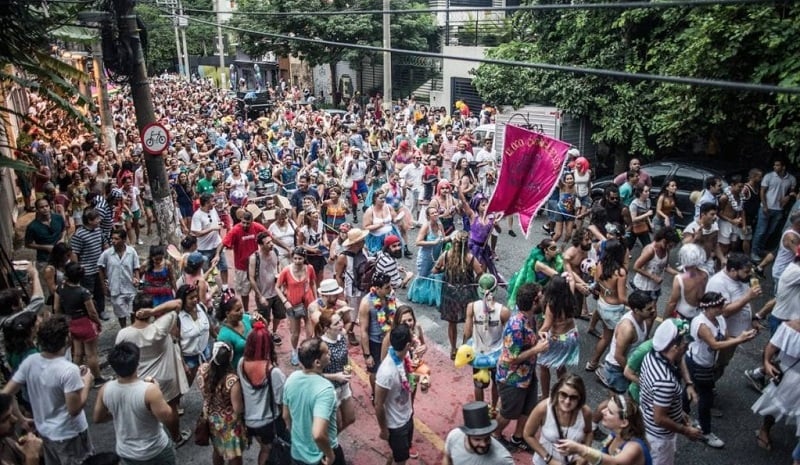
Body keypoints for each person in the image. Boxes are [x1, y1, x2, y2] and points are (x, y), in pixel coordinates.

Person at [2, 316, 94, 465]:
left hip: (45, 432)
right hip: (70, 433)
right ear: (66, 339)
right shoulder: (68, 370)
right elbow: (74, 409)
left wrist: (21, 418)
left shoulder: (31, 361)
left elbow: (7, 393)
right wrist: (87, 382)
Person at [683, 292, 757, 449]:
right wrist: (739, 339)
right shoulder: (702, 324)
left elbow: (725, 338)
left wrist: (744, 337)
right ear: (708, 308)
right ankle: (705, 431)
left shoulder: (720, 319)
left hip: (707, 362)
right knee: (706, 397)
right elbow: (714, 345)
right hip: (698, 363)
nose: (722, 309)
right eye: (718, 306)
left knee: (691, 387)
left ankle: (682, 413)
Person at [116, 295, 190, 445]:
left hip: (141, 379)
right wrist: (153, 311)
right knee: (172, 408)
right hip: (166, 376)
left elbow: (118, 357)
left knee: (146, 412)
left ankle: (151, 440)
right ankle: (176, 437)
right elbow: (178, 302)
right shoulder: (160, 326)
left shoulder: (124, 334)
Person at [92, 342, 178, 465]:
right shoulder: (149, 391)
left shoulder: (105, 389)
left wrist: (119, 412)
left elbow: (97, 418)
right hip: (154, 449)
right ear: (137, 363)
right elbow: (168, 417)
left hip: (126, 451)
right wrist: (157, 390)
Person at [492, 283, 550, 452]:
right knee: (507, 413)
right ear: (534, 301)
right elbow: (511, 359)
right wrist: (536, 349)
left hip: (527, 375)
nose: (544, 300)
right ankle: (495, 435)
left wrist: (537, 337)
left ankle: (518, 437)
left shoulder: (530, 318)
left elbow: (527, 341)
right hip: (512, 379)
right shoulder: (516, 325)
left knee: (528, 409)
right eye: (541, 297)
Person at [640, 319, 703, 465]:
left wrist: (678, 413)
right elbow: (660, 418)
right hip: (659, 438)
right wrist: (686, 431)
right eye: (685, 345)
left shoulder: (652, 356)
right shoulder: (665, 381)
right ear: (674, 348)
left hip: (646, 422)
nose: (687, 348)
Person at [283, 338, 347, 465]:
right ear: (317, 362)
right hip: (320, 456)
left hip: (298, 454)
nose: (330, 355)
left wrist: (298, 438)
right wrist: (330, 455)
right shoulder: (325, 389)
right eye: (327, 353)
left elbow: (286, 416)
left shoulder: (291, 379)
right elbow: (318, 434)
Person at [704, 253, 762, 381]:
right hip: (724, 335)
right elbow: (725, 311)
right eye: (746, 272)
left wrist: (753, 319)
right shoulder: (719, 283)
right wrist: (748, 297)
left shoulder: (741, 279)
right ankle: (704, 387)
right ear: (732, 270)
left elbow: (747, 300)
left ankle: (710, 383)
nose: (749, 274)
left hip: (735, 334)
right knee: (714, 364)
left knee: (723, 363)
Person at [555, 394, 653, 465]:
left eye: (610, 412)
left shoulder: (634, 447)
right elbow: (602, 458)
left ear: (624, 423)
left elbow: (614, 463)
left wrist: (580, 449)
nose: (603, 411)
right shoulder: (614, 435)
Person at [238, 321, 286, 465]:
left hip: (249, 420)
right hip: (268, 421)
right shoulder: (274, 372)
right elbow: (281, 401)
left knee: (264, 448)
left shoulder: (241, 364)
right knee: (270, 450)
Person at [752, 319, 800, 455]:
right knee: (775, 407)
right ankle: (764, 430)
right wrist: (766, 363)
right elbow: (772, 346)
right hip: (788, 377)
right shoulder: (790, 326)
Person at [463, 274, 509, 415]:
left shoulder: (472, 307)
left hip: (478, 352)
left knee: (479, 384)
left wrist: (465, 347)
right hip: (497, 352)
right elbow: (508, 337)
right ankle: (493, 408)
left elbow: (467, 332)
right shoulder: (504, 311)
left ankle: (480, 410)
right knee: (496, 383)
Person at [433, 231, 483, 359]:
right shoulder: (470, 258)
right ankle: (464, 346)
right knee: (469, 320)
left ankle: (453, 349)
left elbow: (435, 269)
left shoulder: (446, 255)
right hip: (467, 293)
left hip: (450, 293)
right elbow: (480, 272)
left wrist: (443, 270)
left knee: (452, 322)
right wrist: (475, 283)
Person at [523, 374, 593, 465]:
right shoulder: (543, 408)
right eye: (564, 395)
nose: (567, 401)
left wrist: (584, 455)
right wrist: (549, 459)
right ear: (556, 392)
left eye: (573, 397)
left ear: (580, 398)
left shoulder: (585, 412)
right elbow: (528, 434)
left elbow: (589, 432)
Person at [53, 263, 105, 385]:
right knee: (91, 354)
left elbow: (56, 307)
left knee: (77, 352)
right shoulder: (83, 292)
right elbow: (92, 312)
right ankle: (97, 379)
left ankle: (74, 377)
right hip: (85, 323)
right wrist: (98, 322)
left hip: (71, 322)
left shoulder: (60, 288)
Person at [197, 342, 246, 465]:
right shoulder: (231, 381)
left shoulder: (203, 370)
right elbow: (238, 408)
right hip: (229, 423)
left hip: (212, 418)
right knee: (234, 454)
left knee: (217, 450)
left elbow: (203, 391)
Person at [597, 291, 654, 394]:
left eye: (653, 307)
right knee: (620, 399)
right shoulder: (627, 328)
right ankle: (606, 375)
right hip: (617, 369)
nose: (653, 310)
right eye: (649, 309)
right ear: (637, 310)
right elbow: (618, 356)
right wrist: (632, 372)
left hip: (630, 364)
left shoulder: (645, 318)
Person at [375, 324, 417, 464]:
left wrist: (421, 379)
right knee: (402, 460)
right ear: (407, 344)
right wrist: (383, 429)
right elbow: (378, 404)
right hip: (395, 425)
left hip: (407, 415)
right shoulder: (386, 372)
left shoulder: (405, 356)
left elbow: (410, 377)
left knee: (400, 453)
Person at [586, 239, 628, 372]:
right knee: (617, 340)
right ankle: (611, 367)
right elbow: (621, 298)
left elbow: (597, 282)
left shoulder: (600, 264)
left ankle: (593, 363)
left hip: (602, 304)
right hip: (613, 309)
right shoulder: (620, 273)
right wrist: (634, 303)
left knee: (606, 337)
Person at [537, 275, 581, 397]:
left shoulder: (552, 305)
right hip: (572, 336)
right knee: (560, 366)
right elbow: (571, 280)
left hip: (558, 338)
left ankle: (545, 396)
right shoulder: (571, 298)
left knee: (544, 366)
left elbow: (546, 326)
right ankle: (563, 391)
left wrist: (534, 337)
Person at [359, 271, 398, 400]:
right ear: (377, 288)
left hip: (390, 339)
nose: (390, 289)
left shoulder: (390, 296)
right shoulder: (366, 303)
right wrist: (367, 354)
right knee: (374, 371)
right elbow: (363, 330)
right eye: (387, 287)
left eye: (390, 286)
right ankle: (376, 395)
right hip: (375, 342)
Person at [276, 247, 317, 366]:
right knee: (295, 332)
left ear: (304, 258)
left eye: (300, 258)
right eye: (295, 258)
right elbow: (277, 287)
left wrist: (316, 299)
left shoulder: (309, 268)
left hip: (308, 303)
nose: (297, 261)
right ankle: (294, 352)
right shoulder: (286, 271)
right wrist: (285, 301)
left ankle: (308, 351)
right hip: (293, 304)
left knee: (310, 331)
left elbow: (313, 283)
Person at [316, 309, 356, 432]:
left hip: (343, 384)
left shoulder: (342, 336)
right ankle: (329, 445)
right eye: (336, 323)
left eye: (340, 321)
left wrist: (347, 371)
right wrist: (335, 376)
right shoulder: (321, 345)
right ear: (326, 328)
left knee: (350, 418)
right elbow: (315, 374)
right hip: (330, 389)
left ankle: (330, 441)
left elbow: (346, 357)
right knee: (336, 426)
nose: (341, 325)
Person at [752, 158, 797, 261]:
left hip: (779, 209)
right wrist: (765, 206)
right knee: (761, 231)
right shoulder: (769, 176)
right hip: (766, 207)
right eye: (774, 165)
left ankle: (760, 249)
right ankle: (754, 252)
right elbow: (762, 191)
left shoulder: (791, 179)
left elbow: (791, 191)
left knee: (770, 231)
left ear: (783, 167)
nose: (775, 167)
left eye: (777, 165)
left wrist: (788, 197)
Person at [443, 401, 514, 465]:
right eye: (477, 439)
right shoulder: (454, 436)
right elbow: (447, 457)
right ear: (467, 435)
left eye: (487, 438)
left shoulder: (502, 460)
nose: (483, 444)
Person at [223, 211, 267, 312]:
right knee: (244, 292)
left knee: (259, 289)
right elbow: (224, 243)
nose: (245, 225)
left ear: (252, 221)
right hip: (241, 267)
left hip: (256, 265)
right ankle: (246, 310)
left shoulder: (257, 227)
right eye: (243, 222)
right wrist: (217, 255)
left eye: (248, 223)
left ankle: (259, 309)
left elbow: (269, 236)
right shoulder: (235, 230)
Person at [70, 208, 109, 321]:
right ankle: (89, 313)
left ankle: (101, 310)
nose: (99, 220)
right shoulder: (79, 235)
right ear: (89, 221)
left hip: (98, 268)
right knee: (88, 293)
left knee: (100, 291)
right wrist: (78, 269)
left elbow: (104, 244)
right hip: (87, 270)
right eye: (97, 218)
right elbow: (75, 253)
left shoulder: (98, 230)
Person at [334, 227, 371, 345]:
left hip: (364, 286)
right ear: (356, 242)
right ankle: (347, 334)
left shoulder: (364, 250)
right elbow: (338, 276)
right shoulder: (343, 257)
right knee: (352, 316)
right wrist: (340, 294)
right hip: (352, 290)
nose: (364, 241)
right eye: (361, 239)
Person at [97, 229, 140, 329]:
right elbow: (100, 267)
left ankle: (133, 330)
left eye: (116, 239)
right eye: (112, 238)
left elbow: (136, 267)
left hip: (130, 287)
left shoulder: (131, 252)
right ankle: (124, 330)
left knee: (133, 311)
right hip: (115, 288)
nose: (113, 241)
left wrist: (137, 279)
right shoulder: (107, 254)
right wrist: (104, 286)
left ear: (124, 240)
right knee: (120, 314)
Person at [506, 238, 564, 310]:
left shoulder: (554, 260)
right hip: (530, 288)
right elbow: (557, 275)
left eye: (556, 247)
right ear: (546, 251)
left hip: (541, 290)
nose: (556, 250)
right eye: (553, 248)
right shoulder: (539, 263)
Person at [248, 231, 285, 343]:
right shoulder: (254, 258)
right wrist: (260, 296)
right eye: (268, 243)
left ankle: (273, 332)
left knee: (279, 314)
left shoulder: (275, 252)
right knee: (265, 318)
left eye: (271, 242)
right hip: (264, 293)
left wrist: (279, 277)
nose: (271, 244)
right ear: (261, 244)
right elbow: (251, 278)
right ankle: (265, 333)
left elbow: (277, 266)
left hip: (276, 291)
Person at [175, 284, 215, 387]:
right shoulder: (177, 318)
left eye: (196, 296)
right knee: (185, 384)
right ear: (183, 300)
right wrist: (183, 364)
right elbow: (176, 344)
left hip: (205, 352)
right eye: (191, 298)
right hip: (189, 357)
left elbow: (210, 328)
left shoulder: (201, 308)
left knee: (209, 382)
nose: (195, 300)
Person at [406, 206, 446, 306]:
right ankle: (415, 295)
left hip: (436, 255)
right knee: (423, 275)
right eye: (432, 213)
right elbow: (417, 242)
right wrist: (433, 243)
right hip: (425, 256)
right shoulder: (426, 226)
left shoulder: (440, 224)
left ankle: (429, 296)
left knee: (432, 275)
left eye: (436, 212)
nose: (435, 214)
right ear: (428, 216)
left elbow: (444, 238)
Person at [631, 228, 680, 305]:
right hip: (643, 287)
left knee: (652, 310)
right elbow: (636, 267)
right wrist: (653, 277)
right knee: (645, 311)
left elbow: (666, 266)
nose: (671, 248)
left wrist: (678, 274)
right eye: (670, 245)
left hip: (655, 286)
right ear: (664, 241)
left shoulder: (666, 250)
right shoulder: (650, 251)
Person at [191, 193, 229, 290]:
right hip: (204, 249)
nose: (214, 203)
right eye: (212, 202)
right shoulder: (197, 216)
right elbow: (196, 233)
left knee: (224, 266)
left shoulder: (213, 211)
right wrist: (212, 229)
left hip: (217, 244)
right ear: (206, 203)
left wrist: (221, 223)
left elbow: (217, 222)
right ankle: (208, 290)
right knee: (206, 270)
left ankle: (225, 287)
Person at [663, 243, 708, 321]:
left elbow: (672, 303)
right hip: (699, 312)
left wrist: (665, 318)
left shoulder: (679, 279)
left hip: (683, 314)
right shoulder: (705, 274)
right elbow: (691, 275)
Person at [0, 392, 44, 465]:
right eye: (5, 419)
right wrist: (32, 459)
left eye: (11, 414)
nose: (14, 419)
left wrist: (32, 449)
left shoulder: (6, 441)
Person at [216, 292, 256, 370]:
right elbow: (224, 362)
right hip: (240, 370)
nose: (241, 311)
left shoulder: (246, 318)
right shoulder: (224, 335)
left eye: (241, 308)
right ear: (227, 313)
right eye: (237, 310)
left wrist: (261, 321)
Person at [25, 197, 66, 270]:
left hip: (61, 256)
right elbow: (28, 244)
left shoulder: (58, 218)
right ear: (37, 210)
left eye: (46, 206)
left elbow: (64, 230)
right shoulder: (32, 227)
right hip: (44, 259)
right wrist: (46, 247)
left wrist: (62, 238)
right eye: (41, 207)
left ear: (49, 206)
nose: (45, 208)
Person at [683, 202, 723, 274]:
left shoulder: (715, 227)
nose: (715, 217)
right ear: (703, 215)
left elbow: (715, 244)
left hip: (708, 263)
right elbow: (685, 249)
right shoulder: (691, 228)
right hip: (694, 266)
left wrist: (722, 258)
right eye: (712, 214)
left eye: (716, 214)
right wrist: (695, 239)